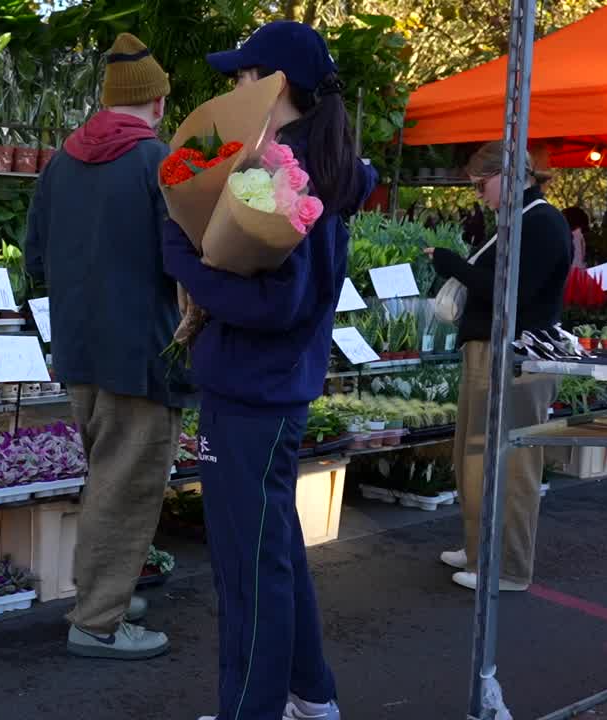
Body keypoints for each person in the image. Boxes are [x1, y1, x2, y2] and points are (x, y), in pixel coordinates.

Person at [162, 21, 375, 720]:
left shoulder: (294, 174)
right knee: (272, 550)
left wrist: (182, 256)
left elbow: (277, 302)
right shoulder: (305, 163)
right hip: (269, 388)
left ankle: (249, 711)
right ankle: (312, 695)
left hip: (253, 394)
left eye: (243, 77)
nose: (234, 89)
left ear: (276, 85)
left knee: (248, 570)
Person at [24, 33, 194, 661]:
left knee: (104, 480)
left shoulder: (62, 163)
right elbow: (186, 258)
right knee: (126, 488)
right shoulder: (159, 162)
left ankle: (104, 595)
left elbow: (35, 258)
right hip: (141, 353)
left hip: (79, 350)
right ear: (153, 100)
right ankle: (98, 622)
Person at [426, 142, 571, 593]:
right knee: (474, 457)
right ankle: (478, 551)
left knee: (509, 465)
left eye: (479, 184)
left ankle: (506, 568)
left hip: (513, 355)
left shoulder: (542, 222)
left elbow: (513, 293)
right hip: (492, 350)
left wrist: (451, 263)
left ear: (508, 175)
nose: (477, 194)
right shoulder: (523, 220)